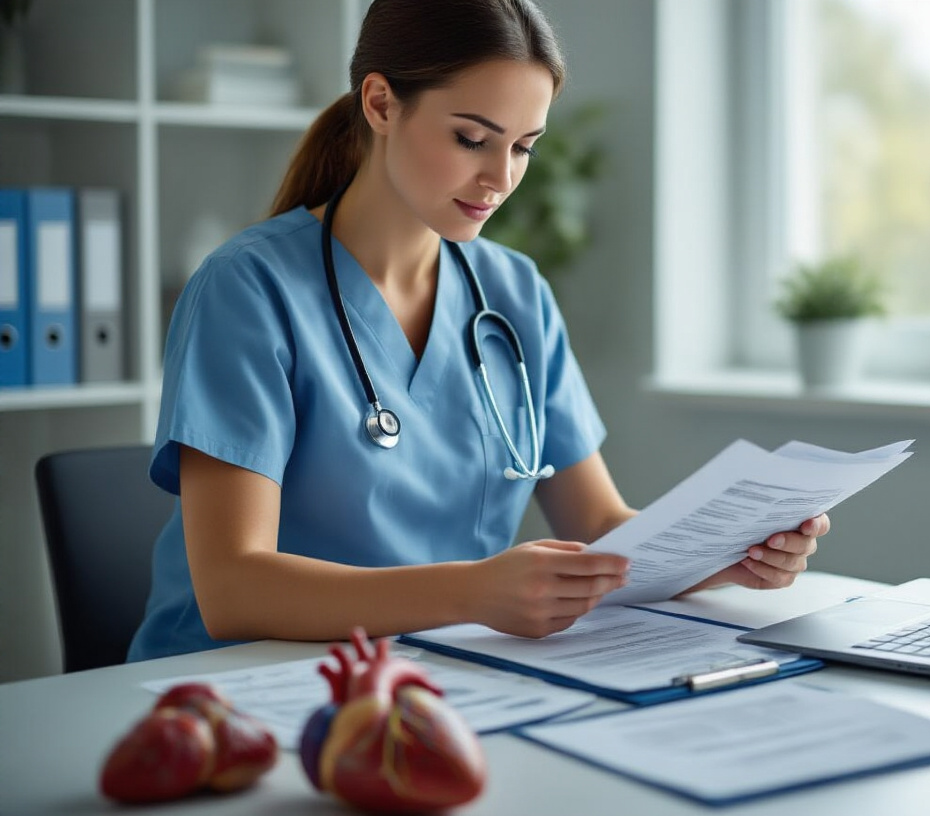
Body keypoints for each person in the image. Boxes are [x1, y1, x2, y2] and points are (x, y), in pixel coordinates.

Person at [128, 0, 829, 662]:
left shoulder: (514, 292)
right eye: (472, 139)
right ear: (380, 103)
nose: (500, 177)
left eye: (524, 146)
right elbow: (234, 590)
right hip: (237, 682)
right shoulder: (247, 288)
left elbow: (598, 523)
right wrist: (471, 592)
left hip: (438, 670)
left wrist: (720, 556)